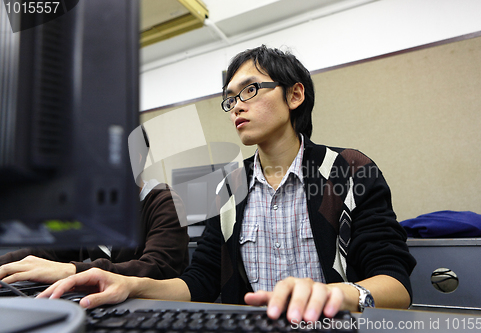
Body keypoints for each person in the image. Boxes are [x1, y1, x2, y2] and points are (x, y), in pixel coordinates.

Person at [38, 45, 416, 323]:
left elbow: (397, 287)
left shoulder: (350, 169)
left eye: (250, 90)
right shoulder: (226, 184)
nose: (236, 105)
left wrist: (332, 294)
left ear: (295, 95)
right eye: (230, 98)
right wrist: (133, 284)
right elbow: (200, 281)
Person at [0, 181, 190, 284]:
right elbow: (48, 252)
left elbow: (158, 269)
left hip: (157, 311)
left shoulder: (165, 201)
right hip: (113, 306)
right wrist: (5, 264)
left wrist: (74, 271)